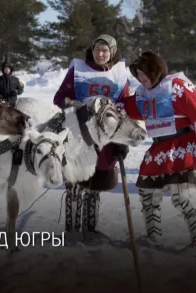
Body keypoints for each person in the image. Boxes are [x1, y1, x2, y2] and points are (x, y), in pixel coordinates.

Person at [117, 51, 196, 255]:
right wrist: (113, 104)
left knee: (184, 196)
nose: (143, 80)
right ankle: (153, 236)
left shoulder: (177, 87)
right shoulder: (143, 93)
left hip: (182, 146)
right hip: (159, 149)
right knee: (148, 194)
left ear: (155, 71)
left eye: (145, 74)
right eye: (139, 76)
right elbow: (129, 108)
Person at [53, 34, 130, 236]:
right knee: (74, 182)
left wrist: (122, 140)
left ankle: (90, 228)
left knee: (95, 184)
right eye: (97, 49)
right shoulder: (78, 70)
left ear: (112, 52)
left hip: (105, 138)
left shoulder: (120, 76)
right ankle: (71, 228)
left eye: (105, 50)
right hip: (78, 134)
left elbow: (125, 108)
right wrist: (70, 102)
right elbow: (59, 97)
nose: (100, 54)